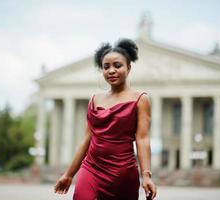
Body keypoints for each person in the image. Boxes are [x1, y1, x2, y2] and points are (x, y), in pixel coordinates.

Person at [54, 38, 157, 200]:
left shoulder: (141, 99)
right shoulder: (94, 100)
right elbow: (87, 140)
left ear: (129, 68)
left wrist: (146, 175)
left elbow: (142, 139)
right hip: (92, 169)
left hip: (122, 174)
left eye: (117, 65)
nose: (111, 71)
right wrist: (69, 174)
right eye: (106, 66)